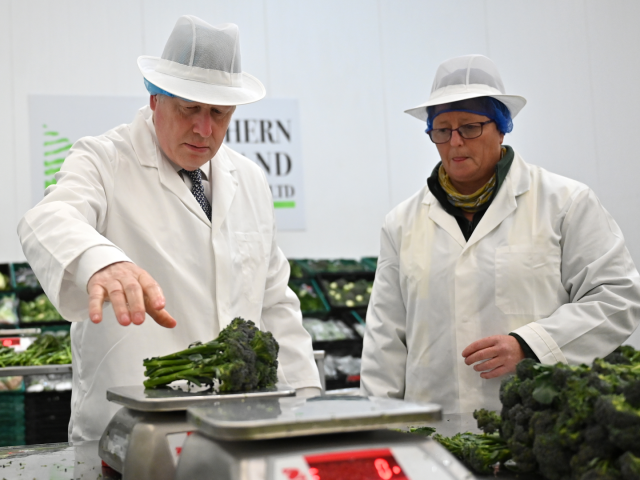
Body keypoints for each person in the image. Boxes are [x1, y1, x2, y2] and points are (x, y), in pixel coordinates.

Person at [18, 16, 321, 442]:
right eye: (189, 109)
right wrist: (101, 262)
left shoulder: (249, 179)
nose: (204, 129)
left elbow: (275, 306)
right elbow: (49, 218)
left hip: (234, 431)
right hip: (128, 435)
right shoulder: (104, 160)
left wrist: (306, 408)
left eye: (218, 113)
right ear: (155, 98)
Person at [360, 54, 640, 414]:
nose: (455, 142)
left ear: (502, 127)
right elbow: (386, 337)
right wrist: (378, 427)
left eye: (470, 127)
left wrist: (531, 345)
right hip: (433, 431)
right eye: (442, 129)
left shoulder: (564, 203)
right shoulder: (401, 223)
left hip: (535, 423)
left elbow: (618, 298)